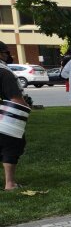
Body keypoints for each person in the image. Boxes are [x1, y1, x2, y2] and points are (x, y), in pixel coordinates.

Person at [0, 41, 28, 190]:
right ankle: (10, 183)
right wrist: (26, 108)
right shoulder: (4, 73)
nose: (8, 56)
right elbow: (15, 99)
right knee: (11, 146)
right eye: (6, 53)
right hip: (6, 118)